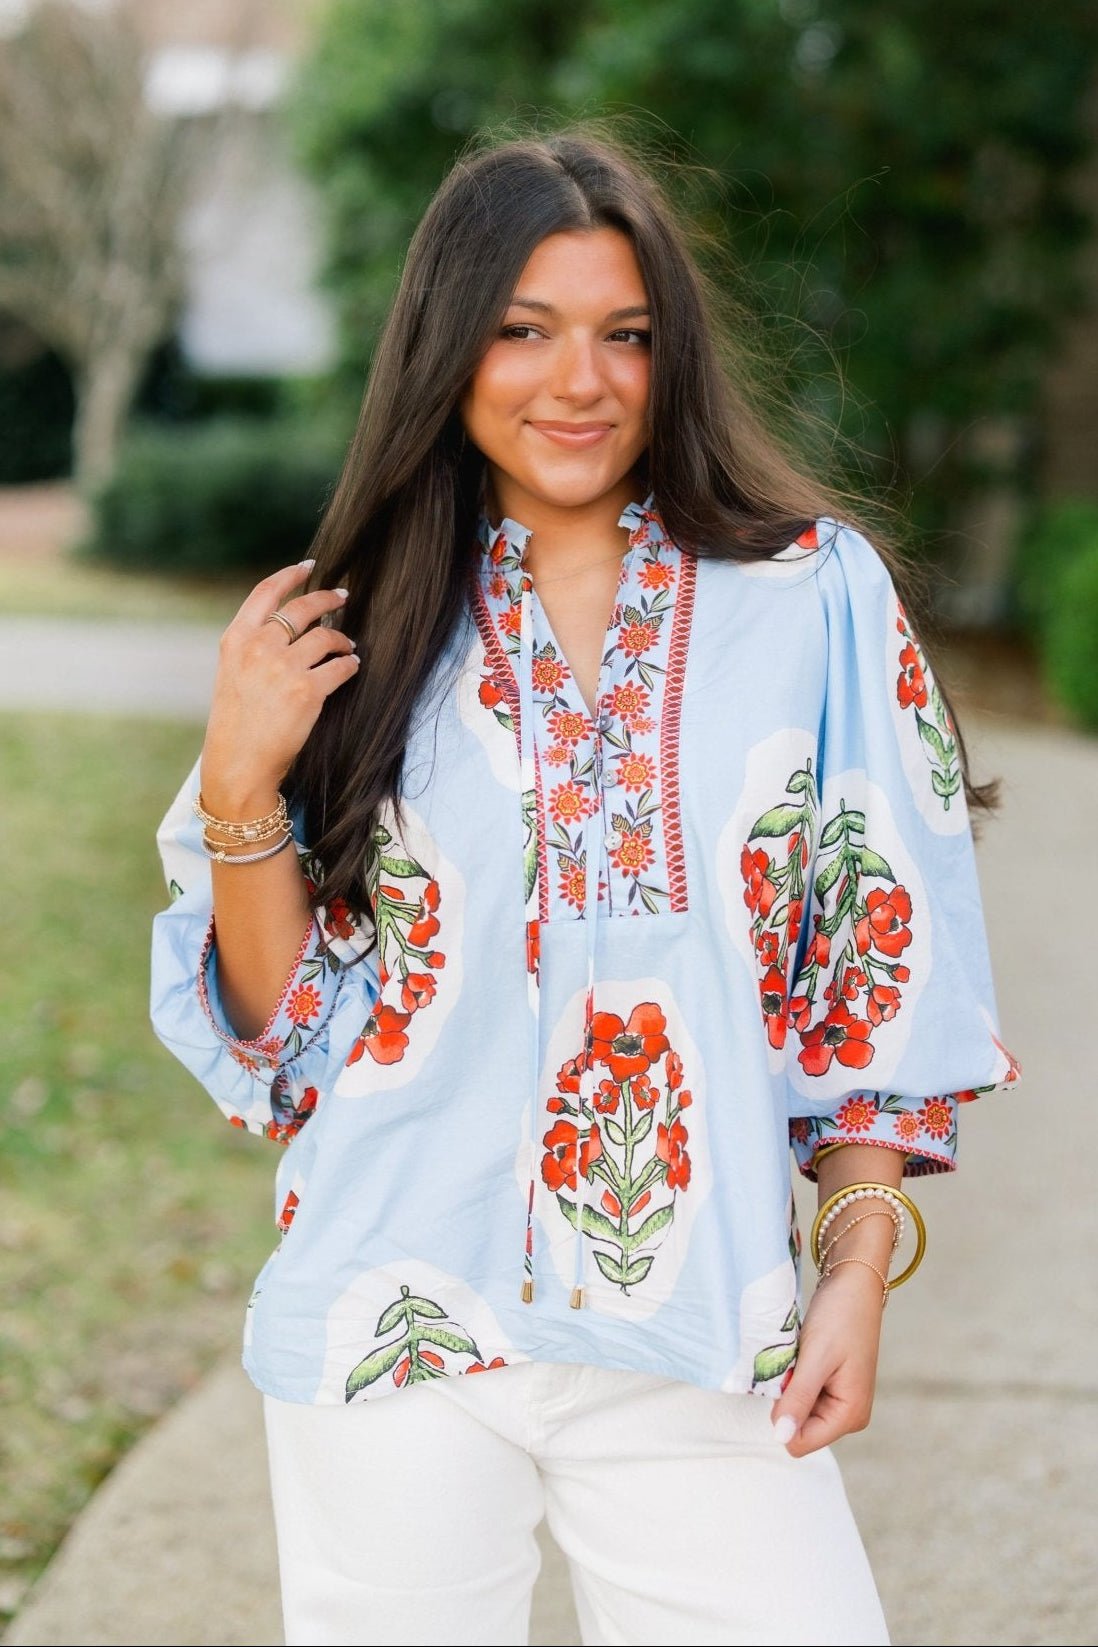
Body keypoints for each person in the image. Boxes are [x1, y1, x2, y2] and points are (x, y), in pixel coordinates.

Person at [150, 129, 1022, 1647]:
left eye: (625, 335)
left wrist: (857, 1266)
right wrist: (240, 788)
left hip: (704, 1335)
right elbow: (291, 1044)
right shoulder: (354, 630)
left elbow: (878, 969)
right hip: (394, 1327)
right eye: (524, 330)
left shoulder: (813, 597)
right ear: (446, 349)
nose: (582, 382)